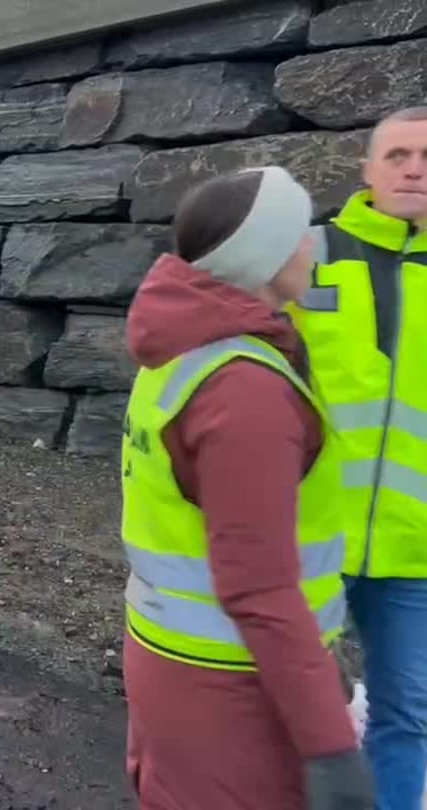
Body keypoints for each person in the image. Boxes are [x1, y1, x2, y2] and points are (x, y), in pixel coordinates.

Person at [121, 167, 371, 808]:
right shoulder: (244, 387)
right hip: (231, 690)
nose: (313, 245)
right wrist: (330, 745)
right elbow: (257, 586)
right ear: (266, 257)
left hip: (172, 665)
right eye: (299, 233)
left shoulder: (185, 348)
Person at [288, 106, 427, 810]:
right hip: (313, 534)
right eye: (398, 154)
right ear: (367, 170)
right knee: (291, 705)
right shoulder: (308, 252)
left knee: (406, 718)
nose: (414, 168)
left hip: (417, 554)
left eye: (426, 157)